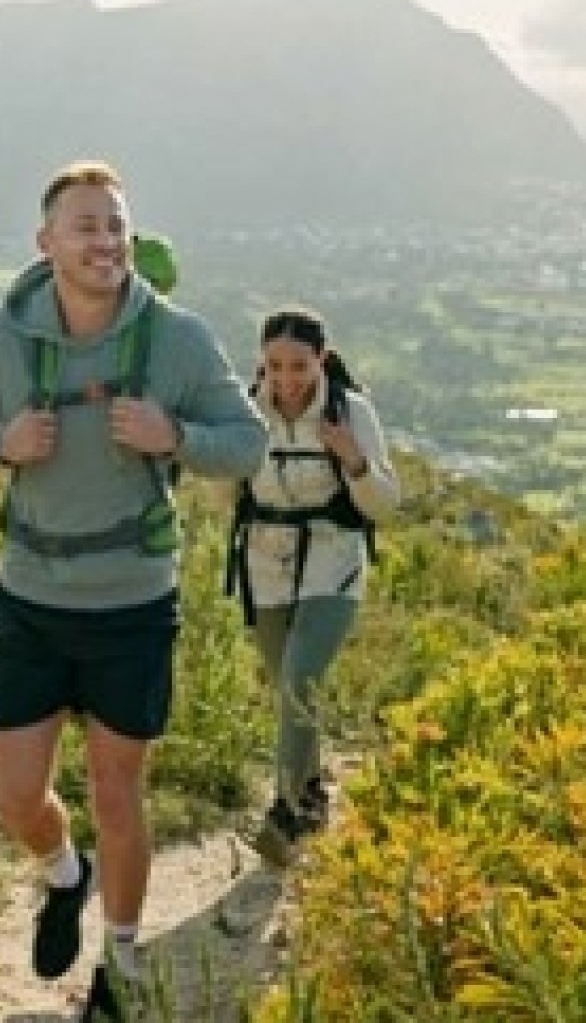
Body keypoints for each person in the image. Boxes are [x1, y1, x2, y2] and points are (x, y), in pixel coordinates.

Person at [0, 160, 266, 1017]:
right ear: (47, 242)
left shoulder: (176, 340)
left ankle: (120, 963)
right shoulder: (4, 339)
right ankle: (61, 876)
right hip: (30, 600)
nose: (105, 241)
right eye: (85, 225)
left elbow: (245, 441)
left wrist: (173, 432)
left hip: (133, 605)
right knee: (14, 795)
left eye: (116, 225)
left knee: (119, 794)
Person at [225, 306, 401, 866]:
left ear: (321, 359)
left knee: (300, 681)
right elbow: (229, 494)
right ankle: (312, 794)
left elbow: (385, 503)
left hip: (332, 559)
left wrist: (353, 460)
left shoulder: (351, 413)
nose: (286, 378)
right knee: (290, 692)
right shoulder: (246, 412)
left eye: (298, 365)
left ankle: (284, 813)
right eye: (274, 365)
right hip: (265, 565)